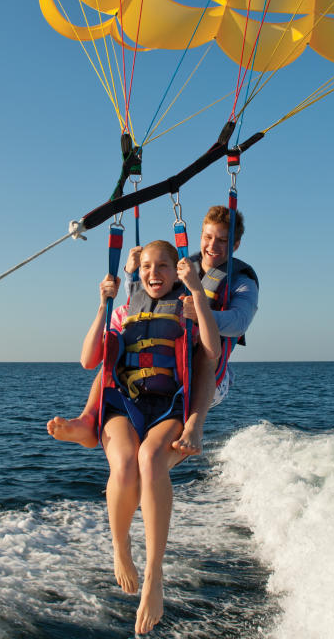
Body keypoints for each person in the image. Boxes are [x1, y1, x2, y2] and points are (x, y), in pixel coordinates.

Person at [78, 240, 220, 634]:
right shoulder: (126, 307)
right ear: (137, 273)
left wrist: (196, 294)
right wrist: (103, 303)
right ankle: (121, 547)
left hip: (168, 406)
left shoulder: (189, 303)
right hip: (125, 404)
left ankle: (154, 574)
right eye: (146, 267)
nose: (154, 274)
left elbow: (211, 351)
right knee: (124, 464)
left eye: (163, 267)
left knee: (150, 461)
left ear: (177, 270)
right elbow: (89, 360)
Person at [47, 206, 258, 456]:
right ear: (201, 236)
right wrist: (129, 273)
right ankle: (89, 419)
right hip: (170, 360)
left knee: (204, 352)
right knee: (117, 348)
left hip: (210, 374)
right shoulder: (182, 266)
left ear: (235, 245)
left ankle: (194, 427)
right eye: (208, 237)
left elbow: (239, 322)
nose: (213, 245)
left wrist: (201, 315)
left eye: (222, 240)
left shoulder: (243, 282)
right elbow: (147, 303)